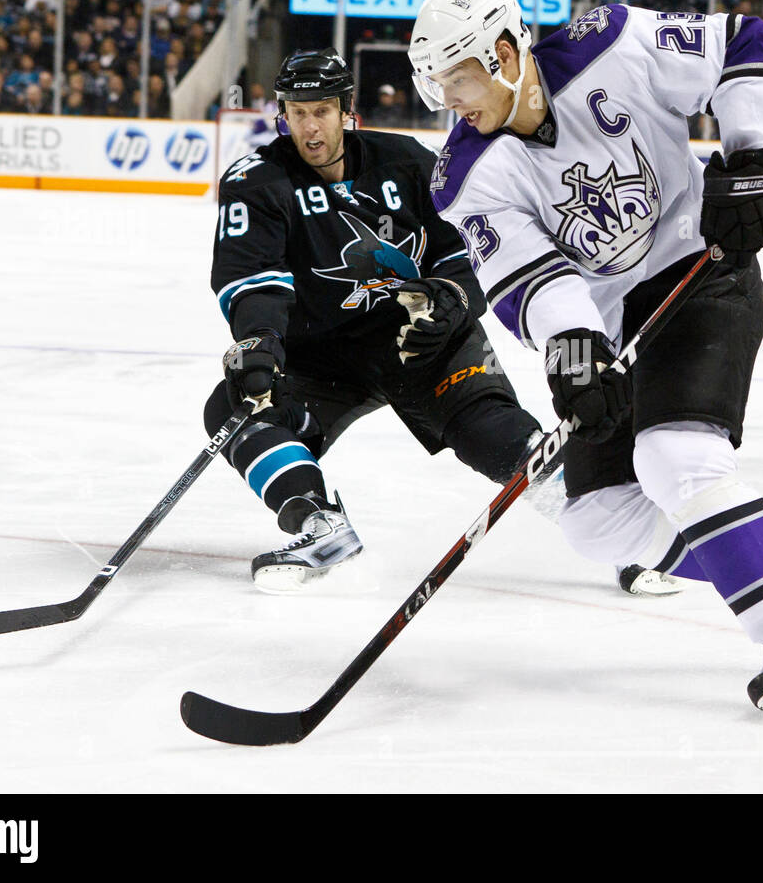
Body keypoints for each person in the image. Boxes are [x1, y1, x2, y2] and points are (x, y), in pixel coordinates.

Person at [409, 0, 763, 720]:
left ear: (500, 54)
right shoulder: (465, 175)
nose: (447, 102)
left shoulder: (611, 42)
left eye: (455, 80)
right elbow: (529, 281)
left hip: (701, 271)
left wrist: (750, 162)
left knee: (673, 454)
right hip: (613, 321)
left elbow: (745, 44)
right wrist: (575, 352)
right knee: (596, 521)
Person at [205, 47, 550, 594]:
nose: (309, 127)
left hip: (423, 343)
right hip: (325, 360)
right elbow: (254, 276)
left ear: (346, 109)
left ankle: (631, 537)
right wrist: (260, 341)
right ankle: (319, 525)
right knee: (234, 409)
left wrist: (450, 300)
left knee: (504, 442)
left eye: (320, 110)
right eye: (297, 112)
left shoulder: (409, 161)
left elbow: (466, 255)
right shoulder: (257, 181)